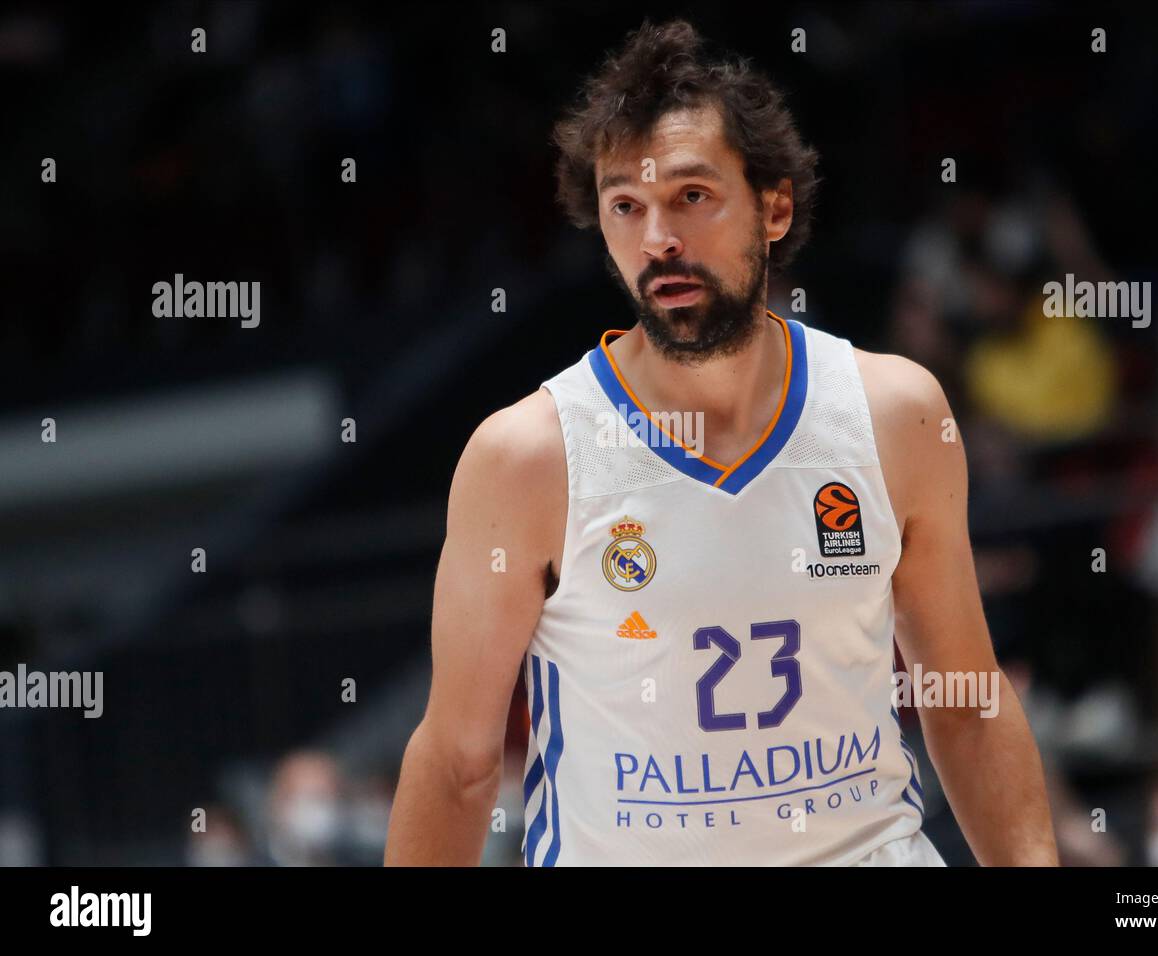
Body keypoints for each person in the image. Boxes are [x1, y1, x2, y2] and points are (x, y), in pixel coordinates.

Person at [386, 19, 1057, 866]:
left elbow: (963, 702)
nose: (657, 238)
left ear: (774, 207)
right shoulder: (527, 458)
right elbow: (456, 761)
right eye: (625, 205)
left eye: (691, 198)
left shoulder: (895, 413)